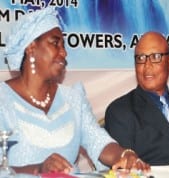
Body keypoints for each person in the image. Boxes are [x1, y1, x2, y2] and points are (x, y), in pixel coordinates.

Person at [0, 7, 150, 175]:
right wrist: (38, 169)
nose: (64, 52)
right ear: (31, 47)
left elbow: (98, 141)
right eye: (55, 43)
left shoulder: (72, 98)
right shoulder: (3, 101)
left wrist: (125, 155)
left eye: (64, 45)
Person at [104, 31, 169, 165]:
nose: (147, 66)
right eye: (141, 58)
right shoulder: (120, 112)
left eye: (155, 57)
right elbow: (125, 168)